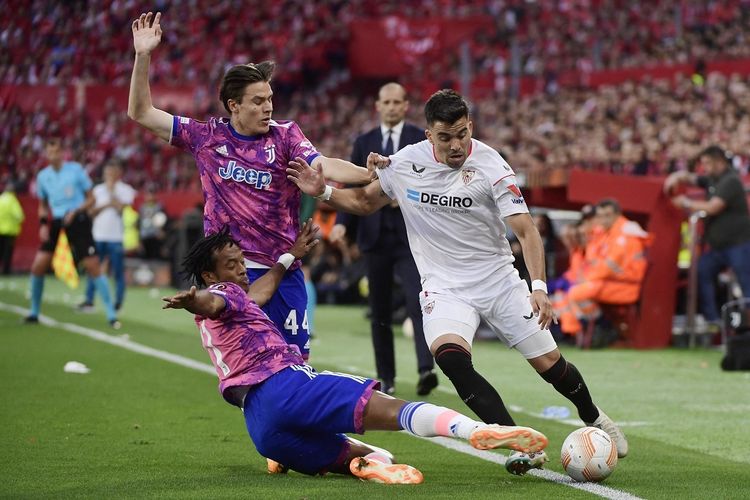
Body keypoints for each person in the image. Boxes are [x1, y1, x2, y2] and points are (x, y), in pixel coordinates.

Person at [287, 89, 628, 475]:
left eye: (462, 134)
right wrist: (325, 191)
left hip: (498, 280)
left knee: (549, 364)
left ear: (471, 127)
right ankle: (516, 440)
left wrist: (538, 288)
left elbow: (527, 231)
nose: (456, 145)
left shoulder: (492, 165)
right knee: (450, 357)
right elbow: (365, 202)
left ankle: (593, 415)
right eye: (445, 137)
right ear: (429, 135)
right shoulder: (406, 162)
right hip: (444, 286)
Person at [161, 224, 548, 483]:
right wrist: (196, 300)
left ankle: (358, 464)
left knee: (372, 454)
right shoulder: (222, 294)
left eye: (242, 263)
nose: (242, 270)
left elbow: (258, 293)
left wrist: (286, 258)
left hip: (261, 426)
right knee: (395, 410)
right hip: (285, 386)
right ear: (210, 276)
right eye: (232, 265)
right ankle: (475, 430)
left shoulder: (233, 302)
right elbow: (214, 301)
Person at [128, 11, 372, 360]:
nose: (268, 107)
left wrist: (368, 173)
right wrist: (143, 55)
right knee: (246, 367)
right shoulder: (206, 137)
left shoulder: (286, 136)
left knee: (295, 364)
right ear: (234, 105)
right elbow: (141, 112)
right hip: (231, 272)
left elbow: (324, 164)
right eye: (258, 101)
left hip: (283, 267)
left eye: (269, 99)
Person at [331, 82, 436, 396]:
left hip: (411, 236)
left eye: (396, 102)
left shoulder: (420, 139)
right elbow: (351, 186)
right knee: (379, 311)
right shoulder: (364, 142)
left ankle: (426, 369)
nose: (391, 107)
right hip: (374, 237)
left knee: (419, 302)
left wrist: (404, 196)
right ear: (378, 106)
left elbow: (432, 179)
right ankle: (386, 378)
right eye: (386, 102)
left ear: (405, 105)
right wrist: (342, 224)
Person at [25, 136, 120, 328]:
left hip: (78, 221)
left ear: (62, 152)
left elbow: (92, 198)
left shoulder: (75, 170)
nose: (53, 155)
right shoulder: (43, 176)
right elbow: (43, 205)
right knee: (38, 266)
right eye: (49, 152)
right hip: (56, 222)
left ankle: (111, 315)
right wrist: (43, 224)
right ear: (46, 154)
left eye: (56, 151)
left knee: (93, 266)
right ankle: (34, 312)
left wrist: (76, 211)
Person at [665, 145, 750, 330]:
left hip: (739, 244)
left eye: (707, 163)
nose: (704, 168)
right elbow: (692, 178)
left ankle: (747, 325)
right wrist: (677, 176)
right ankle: (712, 320)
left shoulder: (730, 180)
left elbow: (713, 207)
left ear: (719, 162)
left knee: (746, 283)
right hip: (719, 247)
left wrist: (685, 202)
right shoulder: (713, 179)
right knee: (702, 271)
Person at [563, 198, 651, 338]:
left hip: (626, 285)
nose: (603, 220)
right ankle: (586, 331)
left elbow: (608, 267)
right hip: (612, 281)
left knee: (576, 293)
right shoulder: (608, 233)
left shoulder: (623, 234)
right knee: (570, 293)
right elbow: (595, 262)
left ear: (617, 215)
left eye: (607, 215)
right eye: (600, 216)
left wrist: (588, 278)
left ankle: (601, 328)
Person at [79, 160, 136, 312]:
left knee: (117, 272)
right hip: (98, 235)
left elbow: (121, 208)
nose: (109, 176)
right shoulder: (97, 190)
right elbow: (90, 212)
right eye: (107, 173)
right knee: (93, 269)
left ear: (118, 174)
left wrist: (111, 192)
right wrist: (106, 205)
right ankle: (89, 300)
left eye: (112, 173)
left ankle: (118, 302)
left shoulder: (125, 190)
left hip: (116, 237)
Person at [0, 180, 25, 275]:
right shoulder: (12, 200)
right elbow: (19, 216)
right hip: (10, 231)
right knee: (7, 252)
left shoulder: (1, 198)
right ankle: (5, 271)